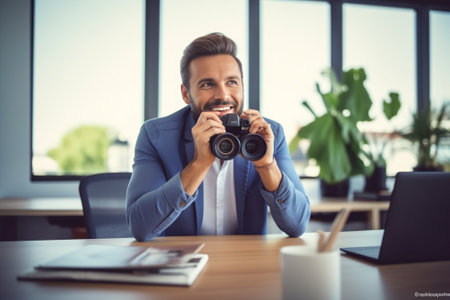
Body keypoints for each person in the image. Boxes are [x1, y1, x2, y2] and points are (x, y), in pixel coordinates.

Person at [126, 32, 310, 242]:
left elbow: (297, 225)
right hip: (183, 265)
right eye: (207, 84)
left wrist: (267, 165)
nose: (223, 95)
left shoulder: (269, 134)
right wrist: (199, 164)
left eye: (232, 82)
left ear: (242, 86)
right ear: (186, 94)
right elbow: (140, 227)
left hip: (246, 265)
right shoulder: (156, 136)